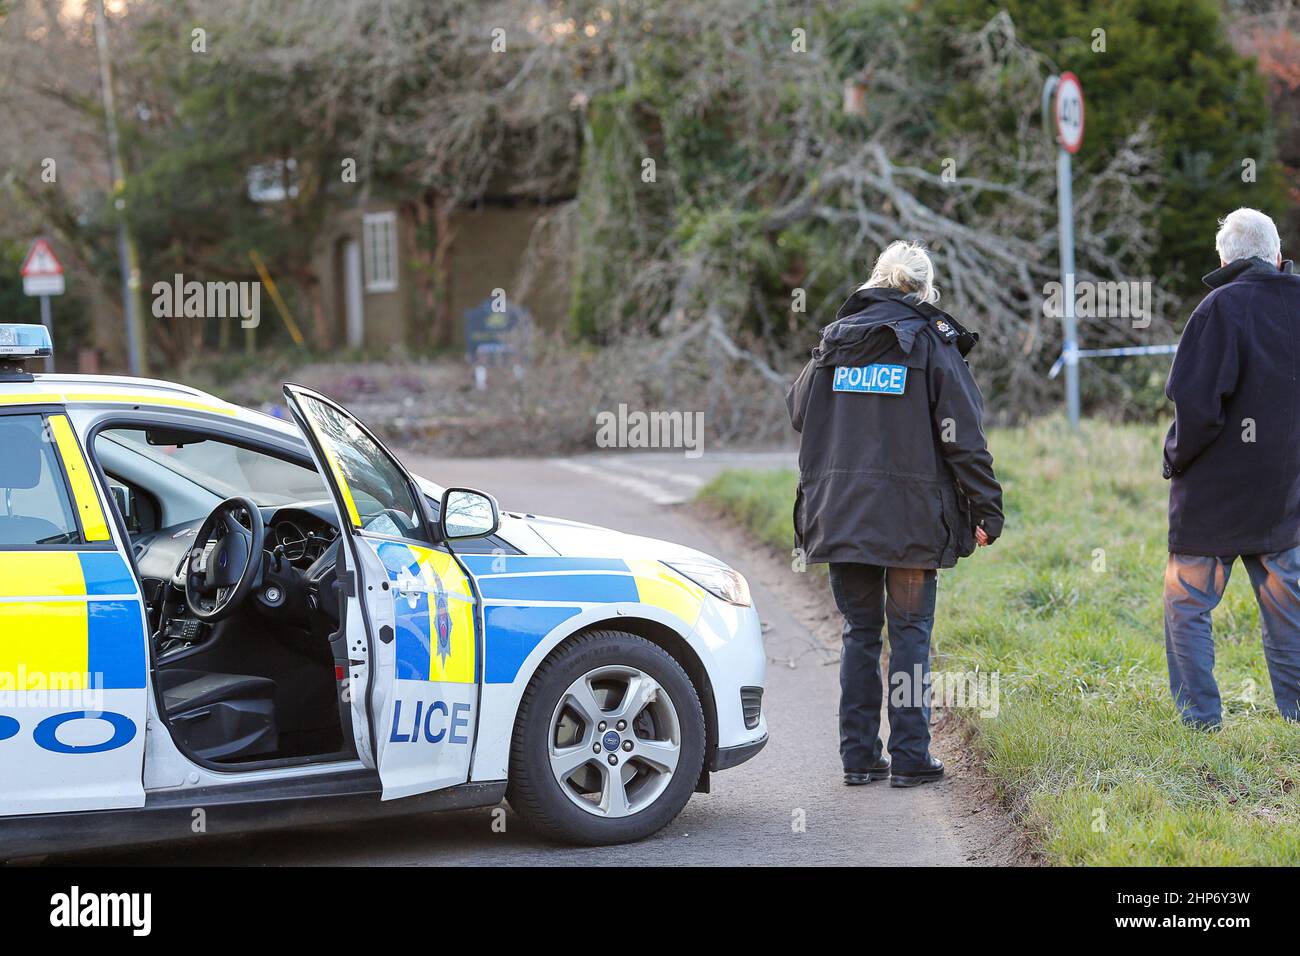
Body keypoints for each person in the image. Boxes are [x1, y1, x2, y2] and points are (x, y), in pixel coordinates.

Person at [786, 240, 1003, 788]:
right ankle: (911, 757)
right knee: (909, 635)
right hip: (909, 522)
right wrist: (986, 507)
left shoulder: (834, 342)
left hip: (842, 516)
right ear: (926, 289)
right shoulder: (931, 344)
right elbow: (965, 439)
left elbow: (798, 412)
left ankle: (859, 757)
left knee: (860, 633)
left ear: (877, 280)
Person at [1163, 207, 1300, 729]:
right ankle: (1296, 717)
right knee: (1289, 611)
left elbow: (1196, 408)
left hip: (1214, 499)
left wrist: (1174, 457)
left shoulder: (1218, 307)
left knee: (1188, 606)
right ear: (1277, 256)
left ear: (1224, 258)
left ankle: (1200, 721)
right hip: (1285, 495)